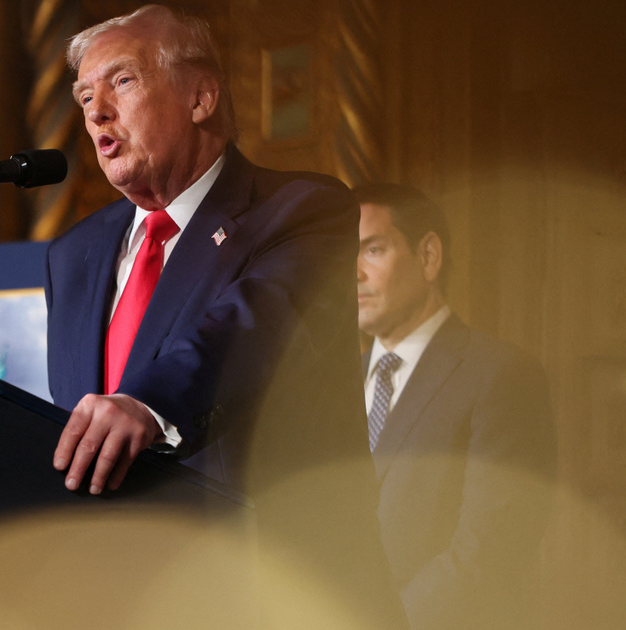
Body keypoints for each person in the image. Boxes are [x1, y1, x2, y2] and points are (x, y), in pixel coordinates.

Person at [45, 5, 398, 626]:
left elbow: (252, 330)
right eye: (84, 96)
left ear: (200, 97)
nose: (97, 112)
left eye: (122, 81)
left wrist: (146, 405)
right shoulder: (73, 255)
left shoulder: (302, 211)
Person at [355, 183, 556, 628]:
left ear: (428, 256)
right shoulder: (333, 384)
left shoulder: (502, 375)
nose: (353, 273)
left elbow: (488, 553)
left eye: (373, 250)